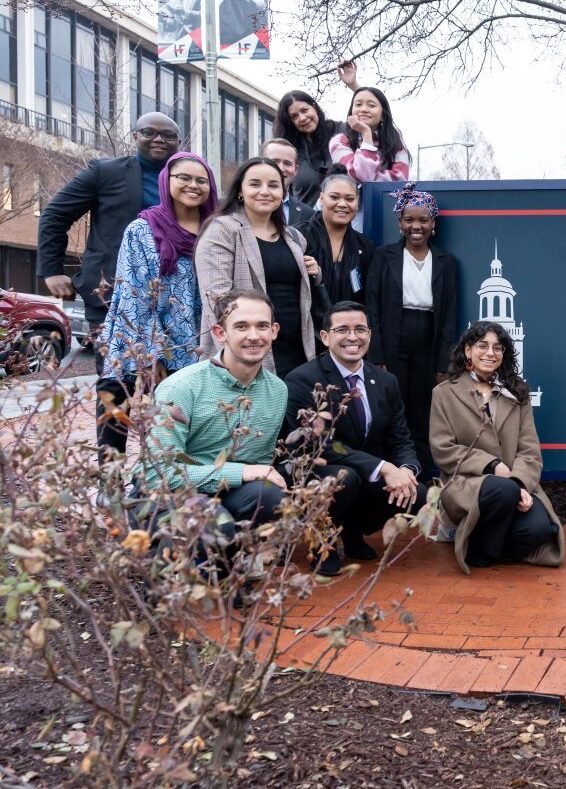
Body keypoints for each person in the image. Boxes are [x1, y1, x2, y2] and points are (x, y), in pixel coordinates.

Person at [141, 290, 290, 563]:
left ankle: (232, 565)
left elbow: (259, 462)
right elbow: (158, 475)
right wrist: (244, 471)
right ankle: (171, 577)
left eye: (262, 326)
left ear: (274, 331)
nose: (254, 336)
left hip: (227, 494)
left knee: (269, 494)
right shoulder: (181, 387)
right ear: (220, 333)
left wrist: (249, 473)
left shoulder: (277, 391)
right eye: (241, 326)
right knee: (213, 523)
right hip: (169, 499)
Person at [284, 301, 427, 576]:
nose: (353, 337)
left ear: (370, 335)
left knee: (416, 492)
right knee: (344, 477)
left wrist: (406, 471)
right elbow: (318, 446)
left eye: (360, 329)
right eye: (343, 330)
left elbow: (401, 438)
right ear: (325, 337)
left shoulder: (386, 381)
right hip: (322, 472)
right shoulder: (303, 381)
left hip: (365, 475)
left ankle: (352, 533)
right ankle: (321, 541)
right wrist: (385, 468)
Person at [95, 152, 219, 456]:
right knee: (115, 423)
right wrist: (152, 356)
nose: (193, 185)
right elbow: (133, 295)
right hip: (137, 342)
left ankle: (161, 495)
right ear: (167, 181)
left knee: (169, 435)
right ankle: (111, 496)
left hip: (194, 348)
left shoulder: (216, 231)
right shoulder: (143, 229)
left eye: (201, 180)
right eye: (184, 178)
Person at [430, 321, 563, 574]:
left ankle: (480, 539)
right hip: (466, 484)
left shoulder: (517, 393)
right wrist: (491, 465)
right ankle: (482, 552)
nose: (490, 353)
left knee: (539, 530)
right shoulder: (444, 393)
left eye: (498, 348)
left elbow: (529, 451)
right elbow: (442, 449)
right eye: (483, 346)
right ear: (468, 351)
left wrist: (520, 483)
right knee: (501, 490)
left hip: (513, 484)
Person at [37, 112, 182, 329]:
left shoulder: (188, 180)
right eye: (149, 132)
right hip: (112, 294)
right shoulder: (105, 172)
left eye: (168, 135)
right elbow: (55, 215)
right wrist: (51, 270)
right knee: (115, 363)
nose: (159, 139)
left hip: (173, 297)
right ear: (135, 136)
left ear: (178, 142)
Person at [195, 157, 325, 376]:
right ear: (240, 191)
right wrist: (240, 357)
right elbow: (216, 301)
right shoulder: (222, 231)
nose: (265, 191)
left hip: (296, 352)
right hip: (246, 353)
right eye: (255, 184)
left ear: (283, 193)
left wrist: (316, 273)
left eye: (273, 185)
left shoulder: (293, 237)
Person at [366, 183, 459, 472]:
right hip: (395, 336)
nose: (415, 226)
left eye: (423, 220)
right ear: (400, 222)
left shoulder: (446, 263)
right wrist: (377, 356)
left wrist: (444, 362)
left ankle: (418, 473)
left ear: (433, 224)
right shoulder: (384, 257)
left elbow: (449, 316)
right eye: (409, 219)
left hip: (428, 339)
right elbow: (373, 308)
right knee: (393, 405)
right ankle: (389, 470)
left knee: (422, 409)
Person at [300, 174, 375, 305]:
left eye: (350, 199)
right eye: (334, 197)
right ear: (321, 199)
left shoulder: (365, 247)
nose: (342, 204)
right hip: (308, 323)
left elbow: (368, 298)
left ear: (357, 203)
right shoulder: (300, 237)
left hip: (348, 323)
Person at [329, 87, 411, 186]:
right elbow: (359, 176)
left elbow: (400, 180)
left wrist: (367, 176)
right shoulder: (339, 141)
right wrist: (366, 134)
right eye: (358, 104)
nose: (363, 109)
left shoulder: (394, 140)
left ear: (383, 116)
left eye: (371, 105)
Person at [272, 90, 341, 205]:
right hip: (304, 220)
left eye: (304, 110)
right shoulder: (290, 151)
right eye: (294, 116)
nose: (302, 118)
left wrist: (353, 85)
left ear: (314, 106)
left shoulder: (340, 132)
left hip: (346, 218)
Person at [259, 138, 317, 226]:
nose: (281, 168)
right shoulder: (241, 210)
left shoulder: (309, 216)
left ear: (296, 170)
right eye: (274, 161)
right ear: (260, 164)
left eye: (287, 163)